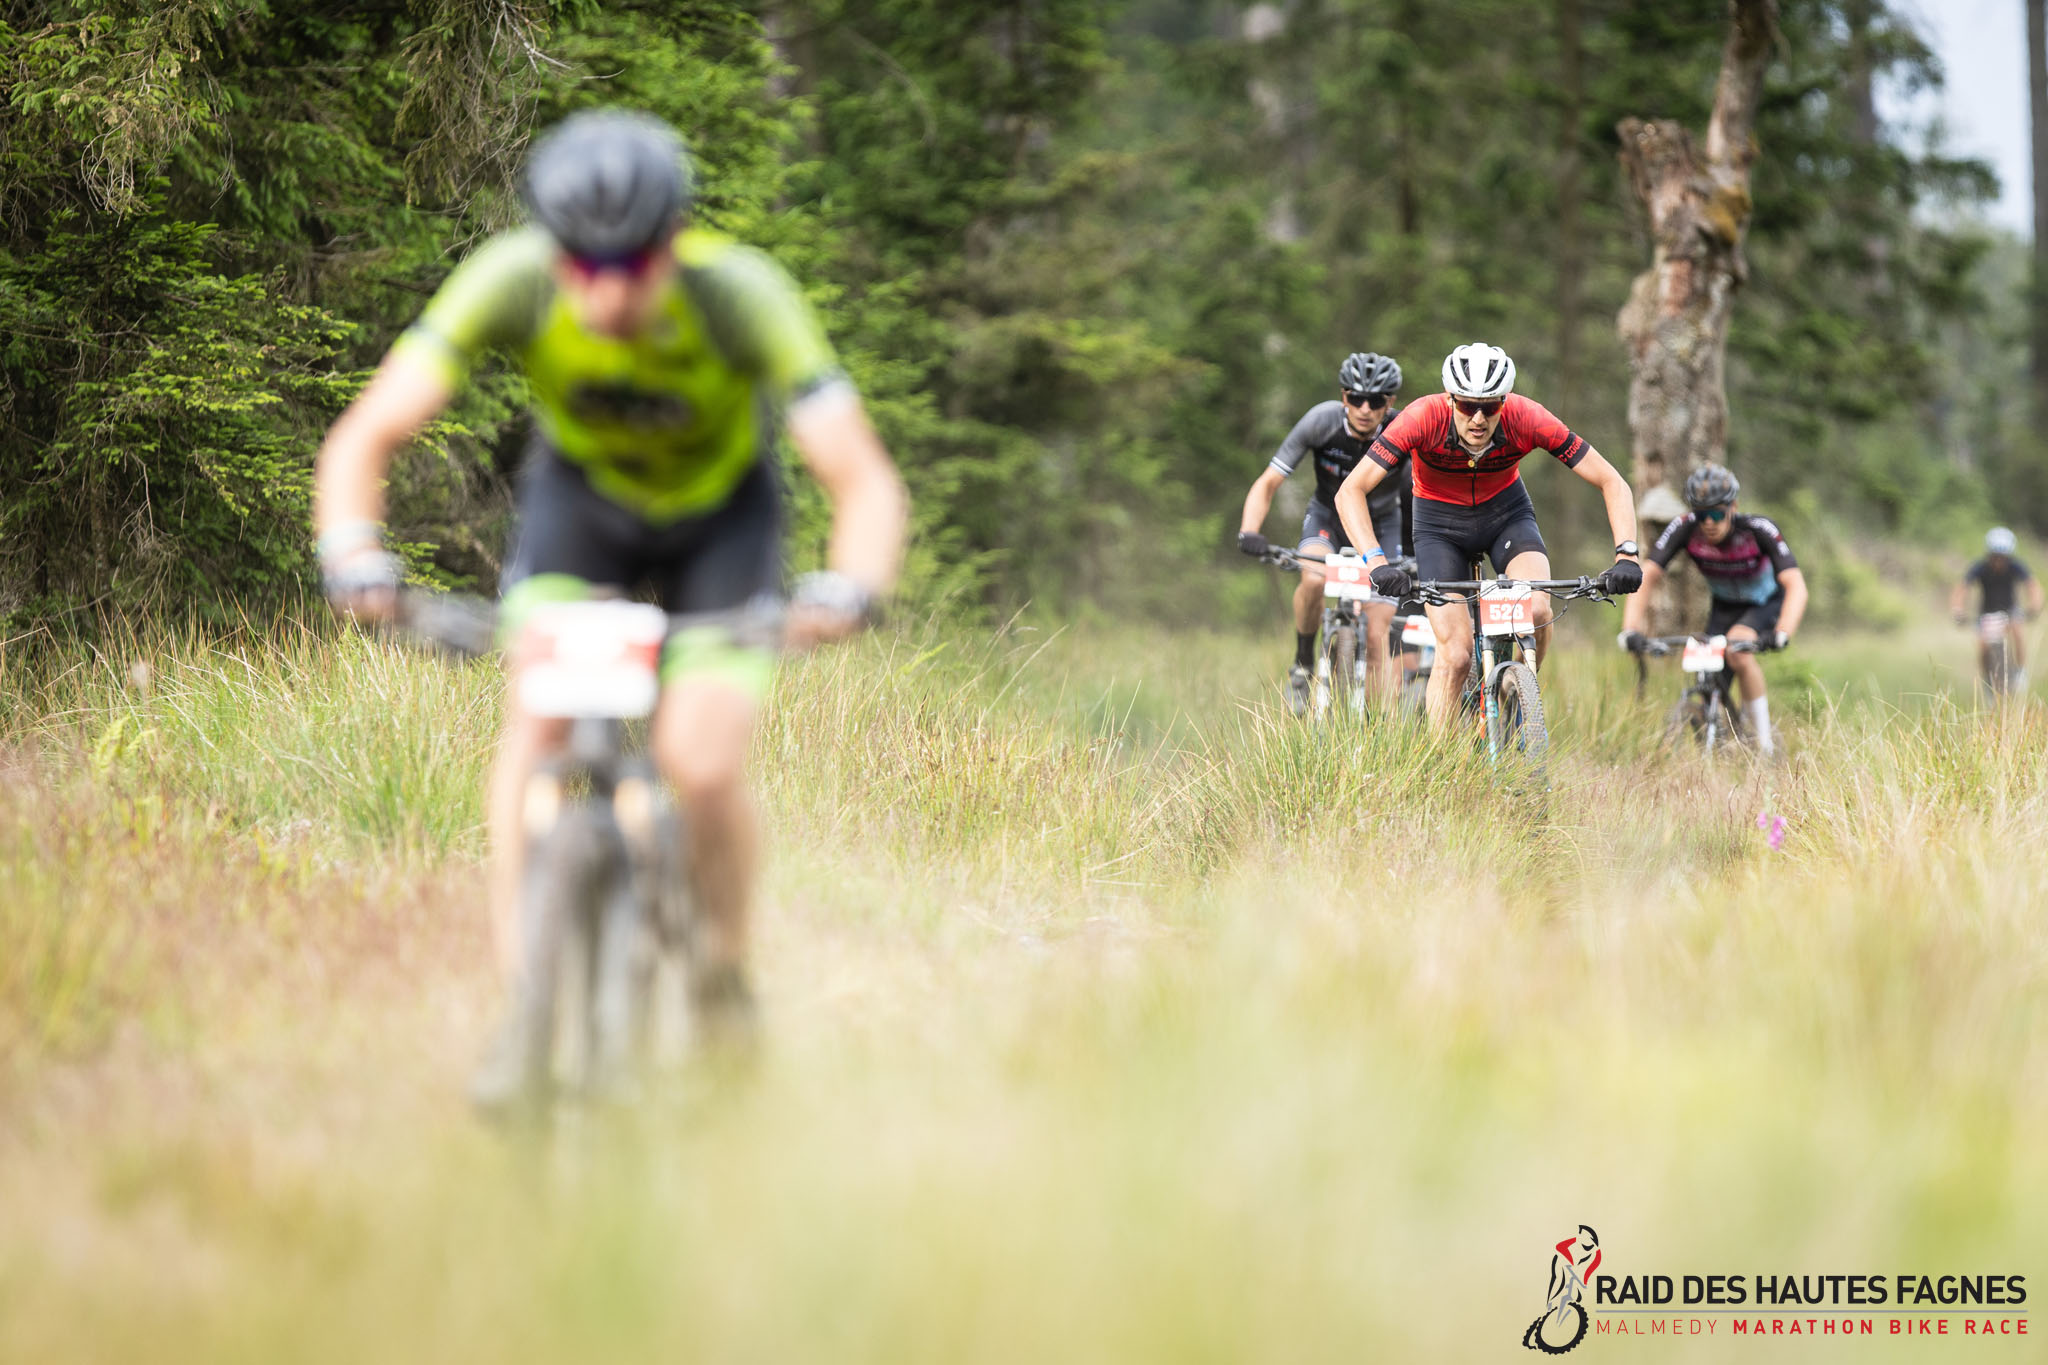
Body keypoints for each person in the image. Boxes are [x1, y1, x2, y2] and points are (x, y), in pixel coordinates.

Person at [312, 109, 908, 1095]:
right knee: (538, 724)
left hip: (721, 525)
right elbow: (365, 435)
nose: (606, 290)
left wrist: (851, 585)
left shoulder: (739, 294)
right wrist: (352, 553)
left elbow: (863, 478)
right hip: (582, 515)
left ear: (672, 242)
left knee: (701, 762)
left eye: (631, 264)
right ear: (555, 250)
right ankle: (526, 1000)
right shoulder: (511, 279)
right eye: (583, 265)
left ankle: (722, 976)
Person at [1331, 343, 1642, 730]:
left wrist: (1627, 554)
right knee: (1456, 654)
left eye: (1490, 406)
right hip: (1438, 527)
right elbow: (1350, 491)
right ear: (1450, 399)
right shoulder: (1421, 418)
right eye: (1467, 406)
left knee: (1537, 612)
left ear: (1504, 402)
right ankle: (1441, 760)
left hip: (1506, 516)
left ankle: (1517, 695)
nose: (1478, 418)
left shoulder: (1527, 417)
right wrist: (1376, 563)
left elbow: (1611, 480)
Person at [1237, 352, 1411, 714]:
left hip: (1381, 526)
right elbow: (1269, 482)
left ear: (1390, 402)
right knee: (1313, 578)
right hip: (1327, 518)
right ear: (1343, 396)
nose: (1365, 408)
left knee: (1377, 634)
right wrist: (1249, 531)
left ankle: (1375, 730)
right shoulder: (1321, 421)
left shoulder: (1403, 430)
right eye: (1356, 398)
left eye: (1375, 400)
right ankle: (1303, 663)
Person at [1618, 464, 1807, 755]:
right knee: (1706, 669)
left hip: (1765, 602)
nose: (1708, 522)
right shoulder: (1684, 527)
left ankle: (1765, 746)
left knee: (1738, 650)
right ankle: (1718, 733)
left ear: (1734, 507)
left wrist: (1782, 632)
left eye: (1717, 514)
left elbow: (1796, 585)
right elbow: (1648, 575)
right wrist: (1631, 629)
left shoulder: (1758, 529)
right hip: (1724, 606)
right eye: (1701, 514)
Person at [1952, 527, 2041, 687]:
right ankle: (1987, 680)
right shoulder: (1980, 567)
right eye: (1995, 557)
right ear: (1989, 555)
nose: (1999, 561)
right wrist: (1958, 610)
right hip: (1986, 613)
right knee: (1983, 646)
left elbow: (2032, 586)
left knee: (2018, 631)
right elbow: (1962, 588)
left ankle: (2021, 671)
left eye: (2003, 557)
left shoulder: (2015, 566)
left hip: (2010, 611)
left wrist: (2035, 605)